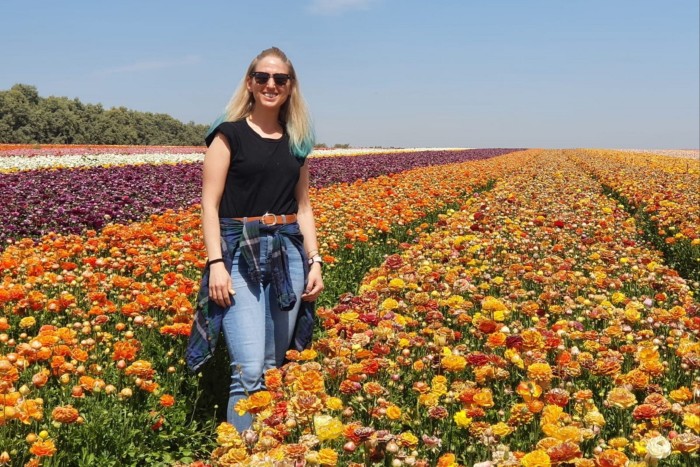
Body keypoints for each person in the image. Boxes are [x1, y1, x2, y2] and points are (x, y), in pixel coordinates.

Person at [185, 47, 323, 433]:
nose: (271, 85)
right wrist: (216, 264)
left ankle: (266, 448)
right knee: (247, 370)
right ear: (250, 82)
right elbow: (209, 207)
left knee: (273, 368)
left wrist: (315, 260)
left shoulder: (297, 142)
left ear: (290, 87)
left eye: (280, 79)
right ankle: (239, 454)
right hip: (239, 255)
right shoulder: (227, 136)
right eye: (262, 77)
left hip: (288, 254)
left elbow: (305, 208)